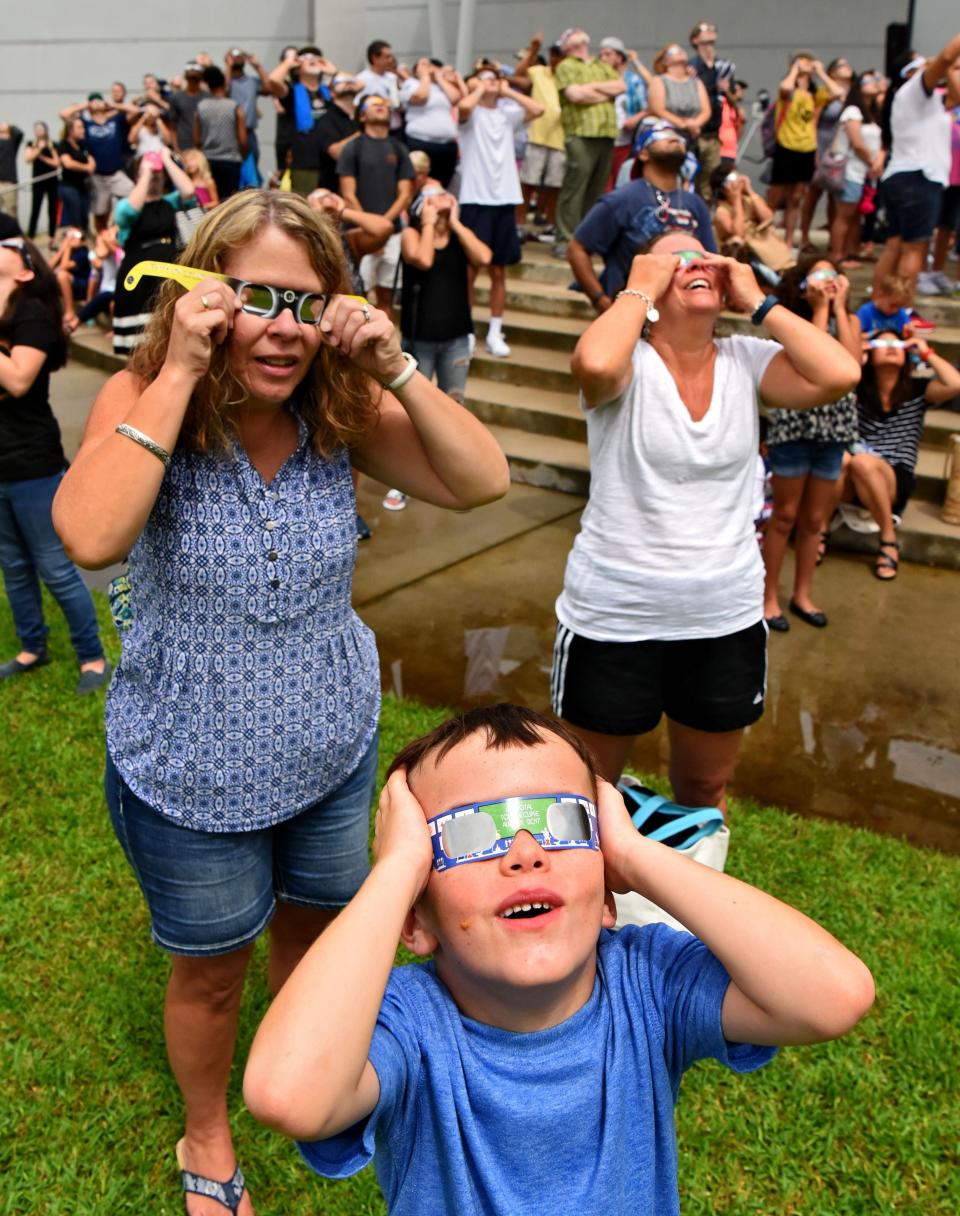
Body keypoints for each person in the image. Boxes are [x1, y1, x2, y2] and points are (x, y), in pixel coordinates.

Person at [51, 189, 509, 1216]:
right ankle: (207, 1132)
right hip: (189, 763)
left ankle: (307, 1071)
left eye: (305, 302)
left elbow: (483, 481)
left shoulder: (339, 413)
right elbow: (87, 536)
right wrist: (175, 367)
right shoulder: (149, 397)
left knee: (317, 933)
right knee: (211, 973)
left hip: (330, 746)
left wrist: (394, 364)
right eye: (254, 297)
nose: (283, 327)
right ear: (207, 297)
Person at [242, 702, 874, 1215]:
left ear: (607, 894)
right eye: (468, 834)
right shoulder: (411, 1024)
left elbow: (832, 996)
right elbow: (288, 1094)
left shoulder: (645, 984)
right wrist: (395, 871)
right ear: (415, 918)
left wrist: (633, 856)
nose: (524, 854)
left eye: (564, 824)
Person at [551, 230, 860, 811]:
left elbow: (840, 374)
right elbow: (593, 361)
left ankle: (688, 901)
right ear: (648, 276)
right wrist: (637, 290)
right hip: (615, 616)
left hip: (724, 616)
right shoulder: (626, 361)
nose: (697, 264)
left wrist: (761, 304)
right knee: (587, 800)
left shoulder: (747, 359)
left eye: (707, 258)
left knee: (704, 790)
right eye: (677, 258)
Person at [0, 226, 110, 692]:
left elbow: (20, 378)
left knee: (53, 564)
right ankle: (32, 647)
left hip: (32, 462)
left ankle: (92, 656)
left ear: (24, 270)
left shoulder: (33, 316)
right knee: (13, 564)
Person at [761, 256, 861, 631]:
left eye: (833, 275)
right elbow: (810, 361)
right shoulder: (792, 323)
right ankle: (768, 597)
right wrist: (819, 310)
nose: (828, 281)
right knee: (784, 515)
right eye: (819, 275)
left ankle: (802, 595)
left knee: (815, 520)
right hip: (794, 427)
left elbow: (854, 368)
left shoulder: (849, 321)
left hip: (833, 431)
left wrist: (837, 308)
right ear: (803, 284)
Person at [837, 329, 960, 580]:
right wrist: (856, 356)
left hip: (894, 476)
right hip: (853, 475)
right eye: (883, 343)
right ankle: (818, 532)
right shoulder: (858, 389)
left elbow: (955, 384)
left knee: (862, 462)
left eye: (897, 343)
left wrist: (926, 351)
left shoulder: (918, 390)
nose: (891, 347)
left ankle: (888, 538)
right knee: (843, 459)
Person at [567, 121, 716, 312]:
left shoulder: (695, 204)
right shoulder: (621, 199)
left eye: (678, 138)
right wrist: (600, 299)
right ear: (643, 153)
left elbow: (711, 259)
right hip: (632, 309)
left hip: (683, 311)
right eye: (662, 136)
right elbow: (577, 249)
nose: (674, 139)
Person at [456, 70, 543, 357]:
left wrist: (506, 91)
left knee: (499, 271)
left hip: (505, 199)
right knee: (469, 271)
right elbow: (465, 108)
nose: (490, 80)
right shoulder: (470, 114)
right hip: (474, 199)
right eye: (482, 76)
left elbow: (537, 109)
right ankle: (466, 330)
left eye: (494, 76)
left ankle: (495, 330)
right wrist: (480, 88)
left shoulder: (506, 114)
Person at [873, 34, 960, 296]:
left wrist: (951, 68)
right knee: (915, 248)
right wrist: (948, 62)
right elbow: (946, 56)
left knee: (895, 245)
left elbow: (956, 95)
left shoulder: (923, 100)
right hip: (919, 178)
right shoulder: (913, 90)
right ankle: (903, 309)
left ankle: (880, 303)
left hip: (906, 176)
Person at [401, 190, 491, 400]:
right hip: (419, 338)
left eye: (446, 194)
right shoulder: (411, 235)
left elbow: (485, 257)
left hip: (455, 339)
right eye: (435, 195)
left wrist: (455, 223)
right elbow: (424, 260)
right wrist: (429, 224)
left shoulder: (459, 237)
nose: (443, 197)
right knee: (416, 404)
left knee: (453, 403)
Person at [111, 146, 197, 357]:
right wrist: (146, 172)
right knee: (137, 344)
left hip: (167, 275)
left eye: (159, 174)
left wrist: (166, 160)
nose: (155, 176)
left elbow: (189, 192)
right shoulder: (126, 204)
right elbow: (128, 213)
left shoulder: (172, 201)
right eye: (150, 172)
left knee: (166, 340)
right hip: (137, 276)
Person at [338, 93, 416, 318]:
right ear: (362, 116)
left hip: (393, 234)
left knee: (386, 298)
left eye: (384, 103)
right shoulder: (353, 147)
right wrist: (370, 231)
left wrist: (383, 227)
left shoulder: (399, 148)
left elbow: (405, 194)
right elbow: (348, 194)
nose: (381, 106)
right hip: (359, 233)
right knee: (356, 297)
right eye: (373, 104)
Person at [552, 28, 625, 253]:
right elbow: (575, 96)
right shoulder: (566, 65)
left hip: (606, 133)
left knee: (596, 188)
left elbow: (621, 86)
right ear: (564, 45)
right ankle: (565, 239)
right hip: (580, 133)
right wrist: (604, 93)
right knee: (576, 185)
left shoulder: (600, 65)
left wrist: (589, 89)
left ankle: (585, 238)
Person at [766, 54, 845, 250]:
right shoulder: (789, 91)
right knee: (776, 197)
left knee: (796, 198)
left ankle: (788, 241)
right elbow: (785, 88)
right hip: (786, 146)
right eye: (803, 61)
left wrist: (820, 71)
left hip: (807, 148)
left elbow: (837, 91)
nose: (807, 65)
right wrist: (795, 69)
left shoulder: (814, 95)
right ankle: (765, 236)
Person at [269, 45, 347, 197]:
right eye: (307, 58)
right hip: (305, 161)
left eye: (316, 58)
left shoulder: (330, 92)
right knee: (306, 206)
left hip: (332, 162)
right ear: (298, 66)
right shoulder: (292, 91)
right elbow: (273, 80)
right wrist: (289, 62)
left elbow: (357, 84)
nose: (312, 60)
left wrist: (334, 71)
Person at [828, 71, 885, 266]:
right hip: (850, 171)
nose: (873, 83)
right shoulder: (852, 111)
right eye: (867, 80)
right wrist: (873, 162)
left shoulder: (872, 112)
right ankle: (838, 255)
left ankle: (852, 251)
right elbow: (857, 143)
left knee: (855, 216)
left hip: (864, 172)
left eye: (875, 79)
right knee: (844, 215)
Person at [58, 94, 136, 232]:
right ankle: (102, 240)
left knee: (135, 197)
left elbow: (135, 111)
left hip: (116, 173)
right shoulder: (86, 125)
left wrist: (113, 104)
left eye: (99, 100)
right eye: (94, 101)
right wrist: (85, 105)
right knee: (101, 213)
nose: (97, 102)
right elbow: (63, 114)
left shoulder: (115, 120)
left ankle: (124, 230)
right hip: (97, 176)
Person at [798, 57, 854, 248]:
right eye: (842, 65)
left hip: (840, 146)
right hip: (822, 144)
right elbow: (814, 121)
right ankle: (804, 236)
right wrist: (814, 150)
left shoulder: (853, 92)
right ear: (832, 72)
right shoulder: (824, 92)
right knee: (813, 193)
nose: (848, 67)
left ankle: (834, 239)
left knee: (834, 194)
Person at [514, 34, 565, 240]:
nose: (555, 59)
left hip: (561, 140)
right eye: (552, 55)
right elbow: (519, 73)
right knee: (528, 182)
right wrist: (533, 50)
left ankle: (551, 224)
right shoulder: (539, 72)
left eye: (559, 56)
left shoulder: (571, 75)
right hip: (537, 136)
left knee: (555, 186)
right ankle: (519, 223)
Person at [687, 21, 735, 200]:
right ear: (695, 39)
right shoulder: (691, 66)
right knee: (692, 180)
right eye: (705, 31)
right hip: (695, 133)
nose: (710, 33)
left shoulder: (722, 67)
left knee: (710, 182)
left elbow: (733, 99)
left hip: (714, 134)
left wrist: (726, 90)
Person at [597, 37, 651, 190]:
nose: (603, 58)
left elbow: (648, 106)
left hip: (624, 141)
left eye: (608, 54)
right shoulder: (598, 78)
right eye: (601, 55)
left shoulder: (632, 81)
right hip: (603, 138)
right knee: (602, 184)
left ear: (619, 57)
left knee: (621, 180)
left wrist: (635, 119)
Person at [401, 59, 463, 189]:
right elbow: (420, 97)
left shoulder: (441, 87)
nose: (428, 67)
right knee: (419, 184)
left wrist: (440, 78)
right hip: (421, 142)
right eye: (423, 65)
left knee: (442, 186)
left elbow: (456, 98)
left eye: (430, 65)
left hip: (446, 146)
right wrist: (424, 76)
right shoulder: (411, 83)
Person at [646, 42, 712, 161]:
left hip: (693, 136)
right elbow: (657, 109)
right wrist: (683, 124)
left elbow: (706, 110)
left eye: (681, 49)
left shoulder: (696, 82)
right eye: (674, 51)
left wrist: (695, 123)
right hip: (668, 138)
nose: (680, 52)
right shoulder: (659, 80)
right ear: (665, 61)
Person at [194, 65, 248, 201]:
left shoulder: (201, 107)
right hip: (231, 160)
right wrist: (243, 155)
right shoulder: (234, 106)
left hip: (208, 160)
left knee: (211, 200)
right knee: (229, 201)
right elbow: (243, 140)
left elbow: (197, 140)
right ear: (224, 83)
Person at [56, 117, 95, 233]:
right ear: (70, 131)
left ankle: (84, 243)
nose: (83, 130)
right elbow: (67, 163)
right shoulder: (64, 144)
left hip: (83, 187)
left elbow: (92, 162)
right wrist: (85, 167)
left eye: (83, 127)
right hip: (69, 187)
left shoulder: (83, 145)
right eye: (79, 127)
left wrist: (89, 166)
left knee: (84, 219)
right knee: (75, 220)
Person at [357, 40, 404, 133]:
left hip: (396, 127)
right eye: (387, 57)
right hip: (376, 130)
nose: (390, 60)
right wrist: (381, 103)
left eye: (391, 56)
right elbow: (359, 105)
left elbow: (398, 102)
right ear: (374, 58)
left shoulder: (392, 77)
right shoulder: (362, 79)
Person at [25, 122, 60, 241]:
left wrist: (42, 157)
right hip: (38, 181)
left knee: (52, 209)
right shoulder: (31, 144)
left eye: (41, 129)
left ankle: (52, 236)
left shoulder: (52, 144)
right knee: (35, 209)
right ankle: (30, 237)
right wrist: (38, 150)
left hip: (52, 181)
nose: (39, 131)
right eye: (37, 129)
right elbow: (28, 159)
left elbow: (56, 163)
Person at [168, 61, 206, 152]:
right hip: (183, 146)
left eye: (195, 77)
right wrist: (176, 147)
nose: (193, 80)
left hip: (205, 146)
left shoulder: (208, 98)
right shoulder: (176, 97)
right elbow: (172, 126)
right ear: (186, 77)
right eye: (190, 77)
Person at [0, 123, 24, 221]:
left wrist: (10, 125)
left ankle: (13, 234)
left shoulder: (12, 142)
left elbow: (19, 133)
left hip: (9, 182)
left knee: (11, 211)